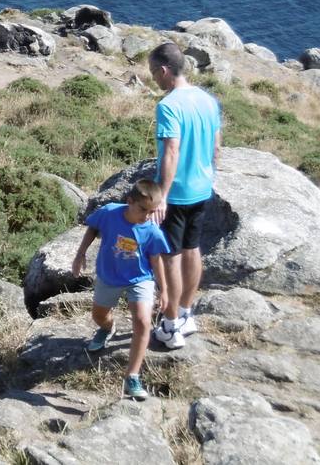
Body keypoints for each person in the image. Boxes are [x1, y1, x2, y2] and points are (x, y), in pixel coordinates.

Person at [146, 41, 222, 350]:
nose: (153, 78)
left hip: (176, 193)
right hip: (202, 188)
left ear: (164, 70)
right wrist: (209, 175)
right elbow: (216, 146)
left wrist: (161, 194)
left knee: (170, 258)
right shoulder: (207, 100)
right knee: (193, 249)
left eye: (153, 73)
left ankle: (170, 324)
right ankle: (187, 313)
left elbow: (171, 151)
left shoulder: (169, 106)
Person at [71, 181, 171, 401]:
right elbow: (93, 228)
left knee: (143, 322)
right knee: (98, 316)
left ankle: (132, 376)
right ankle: (108, 329)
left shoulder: (152, 231)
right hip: (109, 276)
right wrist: (80, 254)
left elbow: (156, 260)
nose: (147, 215)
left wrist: (163, 290)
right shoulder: (109, 213)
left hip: (140, 279)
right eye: (142, 209)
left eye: (152, 211)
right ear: (130, 202)